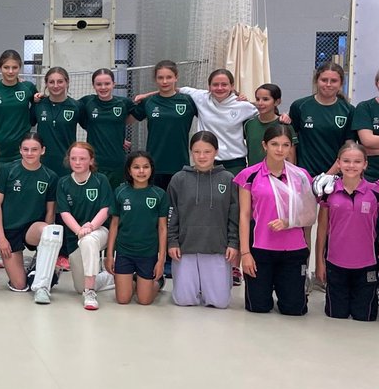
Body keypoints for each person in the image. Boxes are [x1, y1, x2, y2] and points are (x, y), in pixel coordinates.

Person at [236, 123, 314, 316]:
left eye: (286, 145)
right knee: (258, 307)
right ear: (264, 145)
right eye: (274, 144)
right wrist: (245, 253)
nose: (280, 150)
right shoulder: (249, 175)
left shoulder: (301, 176)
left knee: (294, 309)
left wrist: (289, 222)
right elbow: (244, 216)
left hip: (293, 249)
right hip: (261, 249)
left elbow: (309, 214)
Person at [166, 132, 239, 309]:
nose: (202, 156)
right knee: (184, 301)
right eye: (197, 151)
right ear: (191, 152)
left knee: (220, 303)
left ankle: (210, 285)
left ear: (216, 152)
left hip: (216, 246)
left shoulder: (228, 179)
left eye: (207, 151)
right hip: (186, 247)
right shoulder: (179, 179)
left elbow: (234, 214)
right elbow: (171, 212)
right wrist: (172, 241)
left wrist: (233, 243)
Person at [315, 141, 379, 321]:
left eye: (357, 161)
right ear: (339, 163)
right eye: (347, 161)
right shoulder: (328, 192)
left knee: (364, 317)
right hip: (336, 265)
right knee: (337, 316)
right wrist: (320, 262)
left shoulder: (375, 193)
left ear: (365, 164)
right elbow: (322, 230)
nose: (352, 166)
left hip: (367, 265)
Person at [0, 132, 58, 300]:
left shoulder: (50, 176)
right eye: (26, 149)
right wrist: (0, 238)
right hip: (9, 231)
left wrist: (45, 245)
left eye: (34, 149)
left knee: (49, 231)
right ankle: (27, 269)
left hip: (32, 228)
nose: (30, 153)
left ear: (42, 151)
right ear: (20, 150)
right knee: (20, 286)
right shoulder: (7, 170)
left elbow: (50, 211)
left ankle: (42, 278)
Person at [54, 141, 114, 310]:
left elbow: (105, 208)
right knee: (78, 287)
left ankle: (90, 292)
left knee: (89, 241)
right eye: (74, 158)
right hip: (76, 236)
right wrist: (79, 230)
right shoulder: (63, 183)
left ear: (91, 160)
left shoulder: (100, 180)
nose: (78, 162)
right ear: (69, 160)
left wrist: (90, 227)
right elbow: (64, 212)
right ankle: (108, 278)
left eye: (82, 158)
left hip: (99, 231)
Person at [107, 151, 169, 306]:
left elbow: (162, 228)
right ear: (129, 170)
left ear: (151, 169)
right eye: (136, 167)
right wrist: (109, 255)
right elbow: (114, 225)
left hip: (148, 253)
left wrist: (161, 259)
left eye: (145, 167)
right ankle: (133, 282)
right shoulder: (120, 192)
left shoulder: (159, 194)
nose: (141, 171)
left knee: (144, 301)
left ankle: (157, 283)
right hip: (124, 252)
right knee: (123, 300)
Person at [131, 60, 197, 191]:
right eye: (160, 78)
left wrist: (237, 95)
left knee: (177, 208)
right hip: (155, 165)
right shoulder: (149, 102)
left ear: (176, 77)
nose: (165, 81)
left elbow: (214, 99)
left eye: (169, 77)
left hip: (180, 165)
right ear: (155, 80)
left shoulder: (187, 101)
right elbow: (124, 119)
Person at [289, 62, 354, 179]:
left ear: (341, 84)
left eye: (334, 81)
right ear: (316, 81)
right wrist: (294, 171)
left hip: (335, 176)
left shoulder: (349, 110)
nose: (328, 84)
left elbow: (348, 147)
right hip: (304, 176)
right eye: (324, 80)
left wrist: (327, 176)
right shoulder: (300, 106)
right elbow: (291, 142)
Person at [76, 68, 136, 188]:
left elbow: (140, 110)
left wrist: (117, 136)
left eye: (107, 83)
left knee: (115, 199)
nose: (103, 87)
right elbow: (64, 104)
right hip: (94, 162)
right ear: (93, 85)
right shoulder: (87, 102)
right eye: (99, 84)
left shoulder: (124, 103)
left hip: (116, 162)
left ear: (114, 84)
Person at [0, 50, 37, 165]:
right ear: (0, 67)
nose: (10, 71)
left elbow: (40, 105)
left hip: (21, 150)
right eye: (6, 67)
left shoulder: (28, 87)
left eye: (14, 67)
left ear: (20, 68)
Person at [32, 67, 81, 177]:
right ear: (46, 83)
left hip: (66, 164)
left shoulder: (76, 106)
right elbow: (26, 124)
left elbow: (93, 126)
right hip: (42, 163)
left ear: (67, 82)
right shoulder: (39, 104)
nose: (55, 86)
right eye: (51, 82)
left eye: (60, 81)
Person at [244, 83, 295, 167]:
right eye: (257, 99)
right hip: (254, 175)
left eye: (265, 99)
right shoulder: (249, 124)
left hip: (277, 175)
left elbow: (291, 158)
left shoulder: (285, 125)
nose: (260, 103)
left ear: (277, 102)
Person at [349, 69, 379, 181]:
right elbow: (367, 140)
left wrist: (373, 149)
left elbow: (370, 147)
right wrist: (369, 146)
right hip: (371, 175)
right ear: (377, 83)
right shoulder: (365, 107)